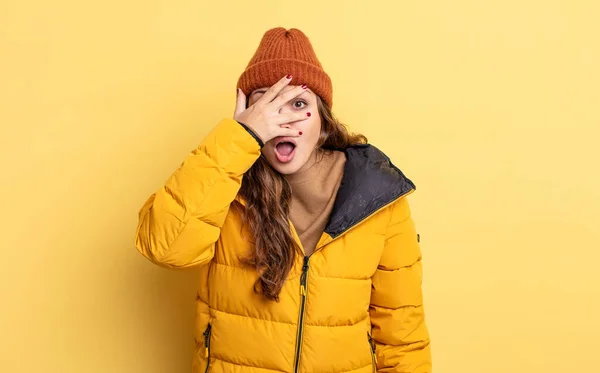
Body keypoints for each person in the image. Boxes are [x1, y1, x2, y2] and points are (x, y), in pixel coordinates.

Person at [135, 27, 431, 373]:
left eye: (299, 104)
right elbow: (166, 247)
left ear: (323, 125)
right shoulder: (223, 186)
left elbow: (401, 333)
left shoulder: (378, 198)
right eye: (264, 104)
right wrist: (238, 138)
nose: (282, 119)